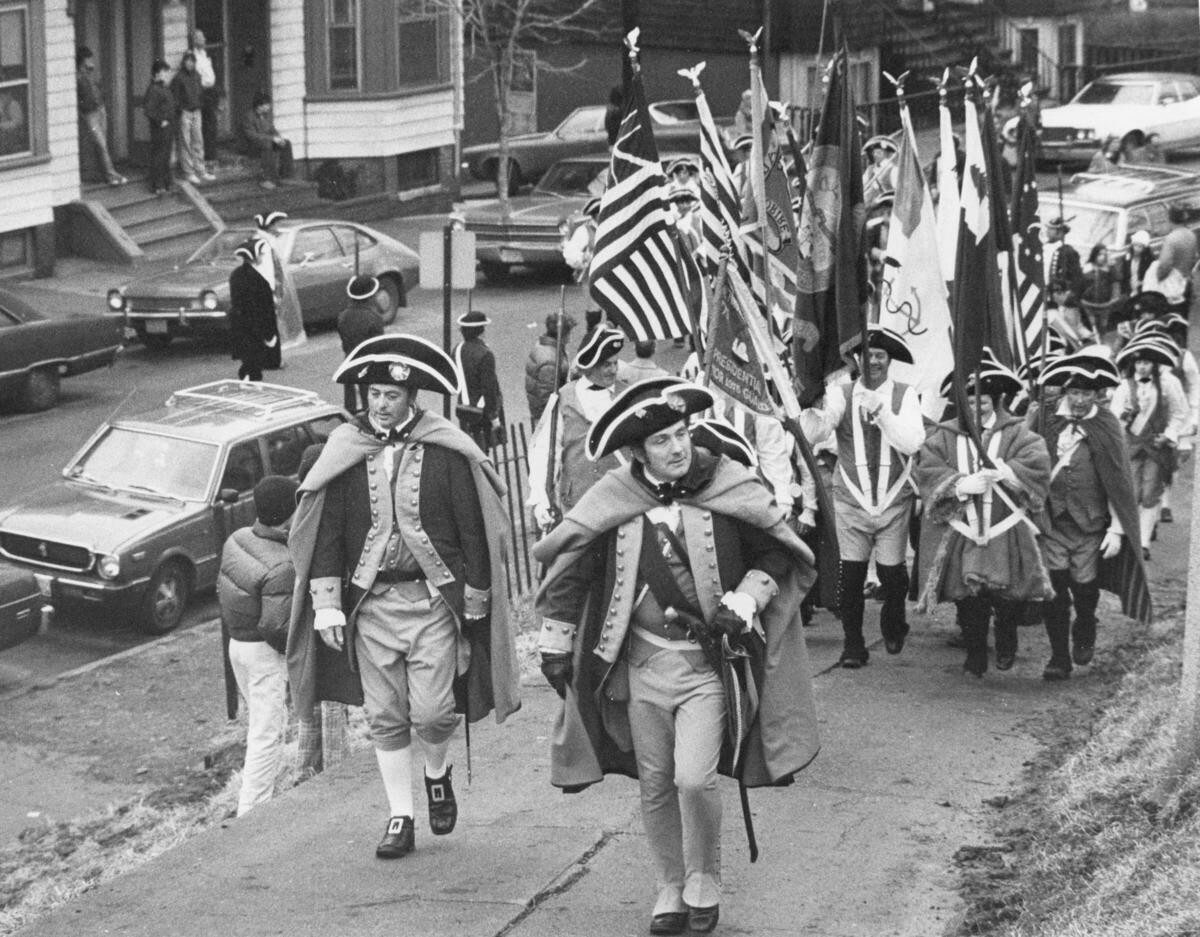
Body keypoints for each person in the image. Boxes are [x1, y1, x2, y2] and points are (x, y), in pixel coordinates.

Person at [533, 377, 819, 936]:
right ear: (636, 452)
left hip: (707, 668)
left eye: (681, 433)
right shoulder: (614, 498)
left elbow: (774, 551)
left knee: (695, 779)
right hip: (639, 668)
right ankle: (669, 885)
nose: (678, 447)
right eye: (662, 440)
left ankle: (704, 877)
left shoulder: (727, 483)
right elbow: (573, 570)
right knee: (656, 782)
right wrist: (555, 638)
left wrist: (746, 597)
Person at [286, 334, 520, 859]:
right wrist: (327, 602)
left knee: (434, 713)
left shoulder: (445, 450)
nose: (380, 403)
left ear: (412, 397)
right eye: (373, 393)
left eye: (391, 395)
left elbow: (473, 530)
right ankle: (400, 815)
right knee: (384, 717)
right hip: (370, 607)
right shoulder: (345, 449)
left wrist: (477, 599)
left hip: (433, 604)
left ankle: (437, 773)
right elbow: (328, 533)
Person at [914, 354, 1052, 676]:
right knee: (969, 595)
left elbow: (1038, 461)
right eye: (971, 400)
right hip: (964, 527)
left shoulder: (1018, 433)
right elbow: (929, 468)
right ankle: (975, 651)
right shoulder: (945, 435)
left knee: (1006, 596)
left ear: (997, 400)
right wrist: (961, 484)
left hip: (1005, 526)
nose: (979, 407)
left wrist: (1009, 472)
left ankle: (1006, 636)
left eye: (985, 400)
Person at [809, 325, 926, 668]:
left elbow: (912, 443)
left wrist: (883, 412)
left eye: (880, 356)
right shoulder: (841, 393)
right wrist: (811, 404)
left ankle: (893, 623)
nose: (873, 361)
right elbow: (816, 432)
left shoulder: (905, 394)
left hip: (892, 498)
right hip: (851, 497)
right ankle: (853, 644)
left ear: (889, 360)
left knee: (892, 576)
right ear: (857, 359)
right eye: (867, 355)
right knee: (851, 575)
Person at [1033, 350, 1149, 680]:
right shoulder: (1045, 417)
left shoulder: (1106, 425)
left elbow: (1119, 480)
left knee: (1084, 589)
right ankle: (1059, 657)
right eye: (1074, 392)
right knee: (1053, 590)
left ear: (1096, 394)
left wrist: (1116, 528)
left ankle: (1085, 626)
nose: (1080, 400)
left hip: (1090, 525)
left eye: (1086, 393)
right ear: (1065, 392)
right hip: (1052, 521)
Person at [218, 475, 299, 816]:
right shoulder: (282, 564)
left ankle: (252, 804)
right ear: (289, 513)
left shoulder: (237, 539)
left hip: (237, 645)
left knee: (258, 726)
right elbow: (275, 625)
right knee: (267, 737)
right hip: (265, 653)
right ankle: (252, 813)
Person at [527, 326, 628, 532]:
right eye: (606, 365)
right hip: (576, 507)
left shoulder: (627, 397)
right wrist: (541, 497)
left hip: (622, 505)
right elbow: (546, 450)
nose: (613, 370)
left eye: (615, 363)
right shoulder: (563, 398)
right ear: (590, 365)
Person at [1110, 335, 1189, 557]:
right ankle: (1129, 536)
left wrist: (1170, 434)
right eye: (1138, 362)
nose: (1142, 367)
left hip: (1156, 446)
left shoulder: (1167, 385)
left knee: (1151, 492)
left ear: (1154, 364)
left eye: (1146, 362)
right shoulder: (1125, 386)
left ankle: (1144, 542)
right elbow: (1114, 418)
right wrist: (1125, 417)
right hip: (1131, 446)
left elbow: (1179, 413)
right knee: (1130, 492)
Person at [452, 309, 504, 453]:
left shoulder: (457, 349)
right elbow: (489, 389)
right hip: (481, 413)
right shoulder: (485, 354)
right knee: (482, 452)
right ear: (481, 331)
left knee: (468, 450)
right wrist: (494, 418)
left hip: (463, 409)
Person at [228, 239, 280, 381]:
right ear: (255, 256)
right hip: (255, 327)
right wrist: (270, 334)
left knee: (248, 360)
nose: (262, 257)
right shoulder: (257, 279)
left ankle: (246, 378)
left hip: (240, 325)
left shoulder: (236, 274)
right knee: (254, 363)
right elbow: (265, 308)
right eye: (261, 254)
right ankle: (250, 384)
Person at [76, 47, 126, 186]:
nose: (91, 61)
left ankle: (106, 173)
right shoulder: (77, 77)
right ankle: (111, 175)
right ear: (82, 60)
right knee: (101, 144)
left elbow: (99, 88)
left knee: (103, 143)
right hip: (89, 113)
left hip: (100, 110)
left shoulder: (91, 73)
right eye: (88, 58)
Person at [337, 275, 385, 414]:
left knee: (354, 405)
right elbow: (379, 347)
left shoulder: (343, 316)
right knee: (368, 406)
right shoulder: (374, 318)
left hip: (349, 363)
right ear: (370, 297)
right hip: (368, 368)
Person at [525, 311, 576, 424]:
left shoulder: (544, 346)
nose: (570, 338)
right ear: (563, 335)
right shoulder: (551, 360)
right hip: (547, 417)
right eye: (569, 333)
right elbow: (547, 397)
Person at [171, 51, 211, 186]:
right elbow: (174, 98)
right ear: (183, 62)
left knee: (198, 141)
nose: (190, 63)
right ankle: (188, 172)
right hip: (185, 113)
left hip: (197, 112)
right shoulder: (178, 78)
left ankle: (200, 169)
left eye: (192, 61)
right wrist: (181, 109)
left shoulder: (197, 76)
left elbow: (201, 92)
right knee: (185, 143)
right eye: (187, 60)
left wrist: (200, 105)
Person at [241, 92, 293, 190]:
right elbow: (251, 135)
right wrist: (272, 139)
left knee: (286, 144)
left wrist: (279, 138)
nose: (269, 107)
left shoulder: (266, 116)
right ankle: (268, 179)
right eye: (267, 104)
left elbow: (272, 129)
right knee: (268, 145)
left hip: (264, 141)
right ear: (260, 105)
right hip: (252, 145)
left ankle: (286, 176)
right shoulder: (249, 116)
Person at [1153, 206, 1198, 317]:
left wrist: (1158, 278)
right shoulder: (1191, 235)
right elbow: (1195, 257)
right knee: (1183, 318)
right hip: (1186, 281)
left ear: (1170, 220)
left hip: (1172, 285)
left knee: (1170, 317)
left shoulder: (1171, 239)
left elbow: (1165, 264)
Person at [189, 29, 221, 171]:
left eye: (203, 36)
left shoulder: (204, 54)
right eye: (199, 37)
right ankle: (207, 158)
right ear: (194, 40)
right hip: (202, 92)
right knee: (206, 126)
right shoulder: (192, 56)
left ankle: (211, 156)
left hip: (211, 91)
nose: (204, 39)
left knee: (212, 125)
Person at [142, 59, 175, 197]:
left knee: (166, 155)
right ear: (157, 73)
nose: (167, 74)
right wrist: (161, 121)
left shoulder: (164, 88)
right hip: (160, 128)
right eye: (164, 72)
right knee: (159, 156)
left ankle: (167, 184)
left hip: (169, 127)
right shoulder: (153, 89)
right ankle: (158, 185)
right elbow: (149, 110)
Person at [1047, 280, 1096, 352]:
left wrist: (1089, 336)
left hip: (1076, 343)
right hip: (1068, 343)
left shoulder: (1070, 308)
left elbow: (1078, 327)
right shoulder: (1054, 311)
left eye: (1060, 292)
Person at [1043, 216, 1084, 301]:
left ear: (1060, 232)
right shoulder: (1042, 247)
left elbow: (1076, 278)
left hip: (1057, 299)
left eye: (1051, 229)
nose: (1047, 231)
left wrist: (1066, 295)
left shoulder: (1068, 252)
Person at [562, 196, 601, 284]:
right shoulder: (584, 231)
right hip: (591, 279)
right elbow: (570, 254)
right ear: (595, 215)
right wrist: (585, 259)